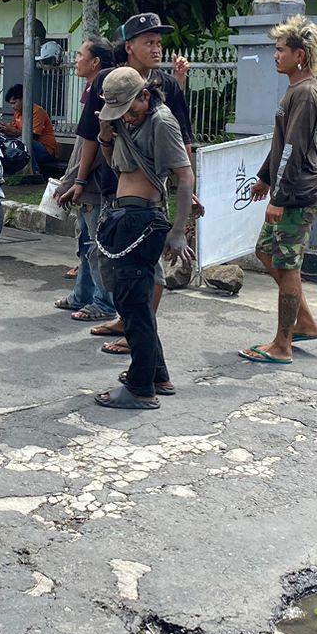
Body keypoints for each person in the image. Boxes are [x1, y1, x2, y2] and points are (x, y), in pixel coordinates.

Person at [75, 13, 198, 356]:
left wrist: (190, 194)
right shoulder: (109, 81)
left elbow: (183, 146)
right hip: (112, 188)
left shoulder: (166, 91)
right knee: (114, 263)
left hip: (148, 200)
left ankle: (142, 333)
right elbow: (92, 135)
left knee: (145, 268)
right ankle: (129, 323)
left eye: (159, 43)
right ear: (129, 46)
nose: (156, 49)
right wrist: (79, 179)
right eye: (148, 42)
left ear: (145, 97)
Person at [92, 67, 196, 409]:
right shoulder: (127, 121)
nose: (127, 117)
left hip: (143, 220)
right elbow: (116, 166)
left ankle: (140, 388)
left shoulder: (162, 121)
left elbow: (185, 177)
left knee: (134, 305)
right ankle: (158, 375)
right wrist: (106, 135)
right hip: (125, 216)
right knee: (133, 303)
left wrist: (178, 232)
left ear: (145, 96)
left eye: (130, 110)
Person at [244, 16, 317, 364]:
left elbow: (292, 151)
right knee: (265, 251)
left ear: (300, 55)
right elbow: (281, 143)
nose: (275, 55)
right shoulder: (296, 89)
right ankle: (305, 323)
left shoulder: (306, 93)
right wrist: (265, 177)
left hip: (298, 195)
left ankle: (282, 345)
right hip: (289, 191)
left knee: (288, 265)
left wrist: (279, 198)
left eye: (281, 50)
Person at [55, 36, 117, 321]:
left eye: (81, 55)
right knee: (85, 243)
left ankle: (104, 303)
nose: (76, 60)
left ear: (96, 62)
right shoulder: (90, 91)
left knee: (95, 245)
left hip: (95, 183)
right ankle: (82, 295)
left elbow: (94, 146)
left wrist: (75, 181)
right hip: (84, 181)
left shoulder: (102, 93)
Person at [0, 84, 58, 174]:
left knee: (23, 142)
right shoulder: (17, 113)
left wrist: (13, 131)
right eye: (11, 104)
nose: (12, 107)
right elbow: (14, 133)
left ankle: (33, 172)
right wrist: (6, 131)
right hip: (28, 146)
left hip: (45, 150)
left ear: (23, 99)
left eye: (14, 103)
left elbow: (34, 137)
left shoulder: (37, 111)